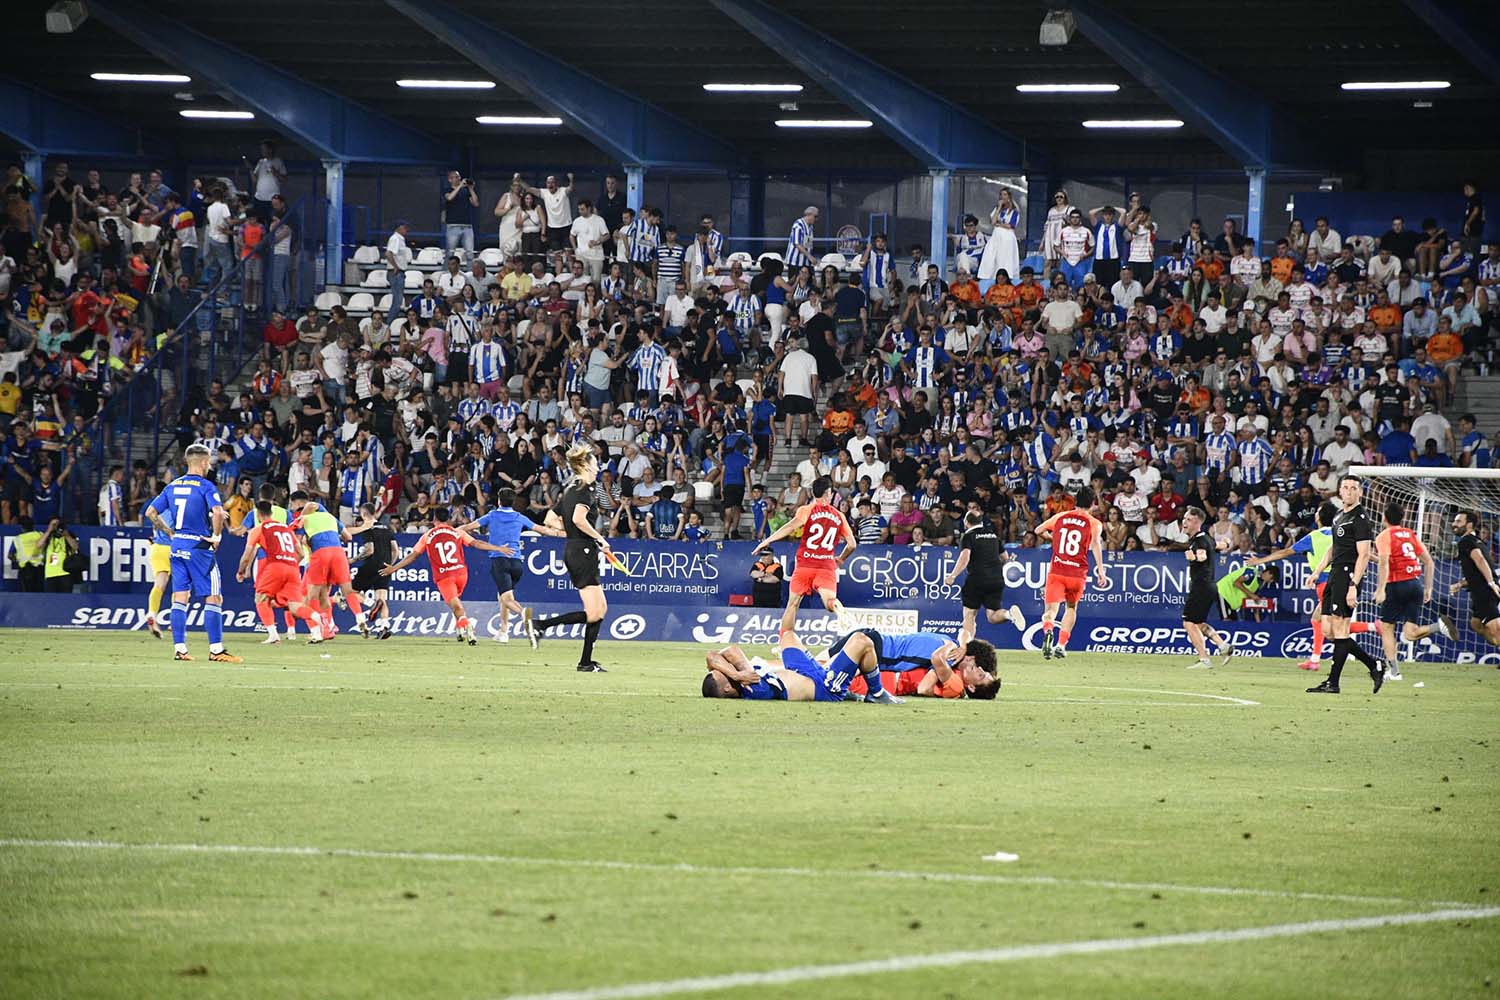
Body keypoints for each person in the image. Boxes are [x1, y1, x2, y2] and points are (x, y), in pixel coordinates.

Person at [144, 443, 243, 663]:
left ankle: (180, 649)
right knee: (214, 596)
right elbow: (218, 512)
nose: (209, 465)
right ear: (203, 462)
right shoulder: (206, 486)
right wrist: (216, 536)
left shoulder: (172, 486)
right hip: (198, 547)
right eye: (208, 462)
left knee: (180, 598)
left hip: (177, 545)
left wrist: (169, 531)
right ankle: (216, 650)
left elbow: (150, 512)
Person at [1249, 501, 1375, 671]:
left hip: (1326, 584)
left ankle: (1373, 628)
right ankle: (1315, 659)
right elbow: (1363, 552)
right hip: (1343, 580)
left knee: (1332, 629)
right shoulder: (1341, 533)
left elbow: (1286, 552)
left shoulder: (1315, 536)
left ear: (1319, 517)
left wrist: (1260, 561)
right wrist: (1382, 559)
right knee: (1318, 620)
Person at [524, 443, 613, 672]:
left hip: (578, 549)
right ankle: (541, 625)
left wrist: (571, 534)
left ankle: (585, 661)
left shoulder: (572, 488)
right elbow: (579, 519)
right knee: (595, 612)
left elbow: (550, 518)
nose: (597, 466)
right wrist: (599, 539)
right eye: (594, 462)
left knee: (599, 609)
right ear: (585, 465)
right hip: (582, 551)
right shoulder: (584, 490)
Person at [1306, 475, 1388, 695]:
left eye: (1354, 488)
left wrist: (1354, 585)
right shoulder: (1339, 515)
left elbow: (1363, 554)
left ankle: (1333, 682)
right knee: (1329, 631)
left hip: (1347, 576)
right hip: (1333, 575)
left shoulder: (1360, 518)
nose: (1349, 491)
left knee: (1341, 630)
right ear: (1340, 491)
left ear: (1360, 492)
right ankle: (1374, 665)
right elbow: (1333, 547)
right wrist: (1317, 571)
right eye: (1346, 487)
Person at [750, 475, 856, 640]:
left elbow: (791, 526)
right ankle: (837, 608)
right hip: (826, 566)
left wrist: (768, 540)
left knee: (792, 605)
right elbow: (852, 544)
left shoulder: (806, 510)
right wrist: (841, 559)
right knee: (829, 601)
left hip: (805, 565)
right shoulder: (839, 516)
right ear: (828, 494)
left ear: (814, 493)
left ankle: (783, 644)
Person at [381, 506, 508, 644]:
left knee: (456, 606)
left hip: (445, 576)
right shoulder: (457, 532)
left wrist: (394, 568)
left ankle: (468, 626)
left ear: (434, 519)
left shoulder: (427, 535)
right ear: (448, 519)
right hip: (461, 573)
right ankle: (459, 630)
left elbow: (413, 556)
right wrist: (498, 548)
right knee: (456, 601)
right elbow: (476, 543)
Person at [462, 488, 561, 643]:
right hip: (516, 563)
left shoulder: (492, 515)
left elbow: (468, 527)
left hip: (500, 560)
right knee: (505, 597)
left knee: (506, 599)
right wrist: (559, 533)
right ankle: (503, 631)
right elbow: (540, 529)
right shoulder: (519, 517)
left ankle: (524, 614)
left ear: (499, 501)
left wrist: (450, 531)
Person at [823, 628, 1001, 703]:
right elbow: (965, 631)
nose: (976, 667)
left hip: (878, 650)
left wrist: (954, 647)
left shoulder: (949, 665)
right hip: (876, 640)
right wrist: (961, 645)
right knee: (822, 671)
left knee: (824, 675)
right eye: (980, 667)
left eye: (980, 673)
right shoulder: (953, 647)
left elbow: (925, 686)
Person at [234, 500, 325, 645]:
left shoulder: (259, 529)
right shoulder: (285, 528)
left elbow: (247, 554)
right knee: (295, 605)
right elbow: (301, 553)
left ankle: (273, 635)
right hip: (292, 567)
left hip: (275, 566)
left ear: (258, 514)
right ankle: (316, 617)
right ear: (271, 512)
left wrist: (241, 571)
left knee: (261, 598)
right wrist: (289, 563)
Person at [701, 629, 876, 703]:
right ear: (726, 689)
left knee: (788, 635)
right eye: (725, 674)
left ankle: (850, 684)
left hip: (810, 674)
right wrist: (739, 674)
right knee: (862, 640)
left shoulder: (742, 678)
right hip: (826, 688)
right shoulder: (754, 688)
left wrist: (736, 675)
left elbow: (716, 655)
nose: (727, 669)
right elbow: (731, 651)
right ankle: (877, 693)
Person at [1409, 510, 1500, 648]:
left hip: (1485, 592)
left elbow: (1480, 560)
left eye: (1458, 521)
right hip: (1480, 591)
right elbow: (1475, 573)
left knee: (1495, 631)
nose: (1454, 524)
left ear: (1469, 525)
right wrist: (1460, 584)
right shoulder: (1478, 541)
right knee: (1476, 624)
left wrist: (1491, 583)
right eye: (1454, 521)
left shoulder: (1466, 541)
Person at [1035, 488, 1107, 659]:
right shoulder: (1094, 523)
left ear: (1074, 501)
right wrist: (1101, 571)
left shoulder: (1061, 516)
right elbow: (1096, 545)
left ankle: (1049, 629)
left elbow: (1038, 530)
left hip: (1057, 571)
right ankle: (1061, 645)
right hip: (1077, 573)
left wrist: (1055, 539)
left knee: (1050, 610)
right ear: (1092, 504)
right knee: (1071, 608)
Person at [289, 490, 370, 639]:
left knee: (311, 596)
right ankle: (359, 618)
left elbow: (297, 542)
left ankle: (317, 632)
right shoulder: (329, 517)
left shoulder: (302, 519)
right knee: (345, 591)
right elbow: (348, 537)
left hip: (319, 555)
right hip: (338, 553)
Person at [1372, 501, 1434, 682]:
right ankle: (1440, 627)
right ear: (1402, 517)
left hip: (1396, 585)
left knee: (1387, 627)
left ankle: (1395, 672)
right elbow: (1429, 561)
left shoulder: (1384, 536)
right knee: (1410, 633)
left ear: (1384, 518)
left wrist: (1381, 589)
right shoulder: (1409, 534)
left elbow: (1385, 563)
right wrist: (1428, 588)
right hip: (1415, 585)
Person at [944, 509, 1025, 645]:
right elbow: (1005, 558)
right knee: (993, 616)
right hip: (996, 580)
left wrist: (953, 575)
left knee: (969, 615)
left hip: (977, 580)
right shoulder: (993, 535)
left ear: (966, 522)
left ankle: (967, 648)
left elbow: (965, 557)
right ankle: (1009, 615)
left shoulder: (968, 536)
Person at [1180, 507, 1235, 669]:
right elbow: (1220, 545)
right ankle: (1223, 645)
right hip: (1209, 586)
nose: (1184, 522)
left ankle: (1204, 660)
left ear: (1197, 523)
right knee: (1198, 623)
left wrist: (1194, 557)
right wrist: (1227, 542)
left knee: (1189, 623)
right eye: (1184, 518)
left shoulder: (1198, 541)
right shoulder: (1206, 538)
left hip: (1201, 586)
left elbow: (1202, 555)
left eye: (1188, 519)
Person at [348, 503, 396, 639]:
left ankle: (371, 604)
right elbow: (395, 550)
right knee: (382, 597)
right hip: (385, 566)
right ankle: (384, 627)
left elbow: (369, 549)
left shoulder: (367, 528)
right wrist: (390, 565)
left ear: (363, 514)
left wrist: (353, 560)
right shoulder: (387, 528)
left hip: (371, 565)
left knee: (349, 592)